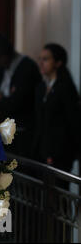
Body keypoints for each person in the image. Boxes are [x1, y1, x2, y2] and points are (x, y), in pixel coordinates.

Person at [0, 31, 41, 157]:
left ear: (5, 56)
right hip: (5, 128)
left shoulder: (27, 67)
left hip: (24, 130)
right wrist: (1, 98)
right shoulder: (0, 69)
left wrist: (1, 99)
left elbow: (17, 102)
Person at [31, 43, 80, 174]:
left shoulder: (65, 87)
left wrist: (55, 153)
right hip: (40, 151)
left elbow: (71, 122)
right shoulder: (40, 87)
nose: (41, 63)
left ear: (58, 62)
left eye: (46, 59)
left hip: (60, 153)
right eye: (40, 59)